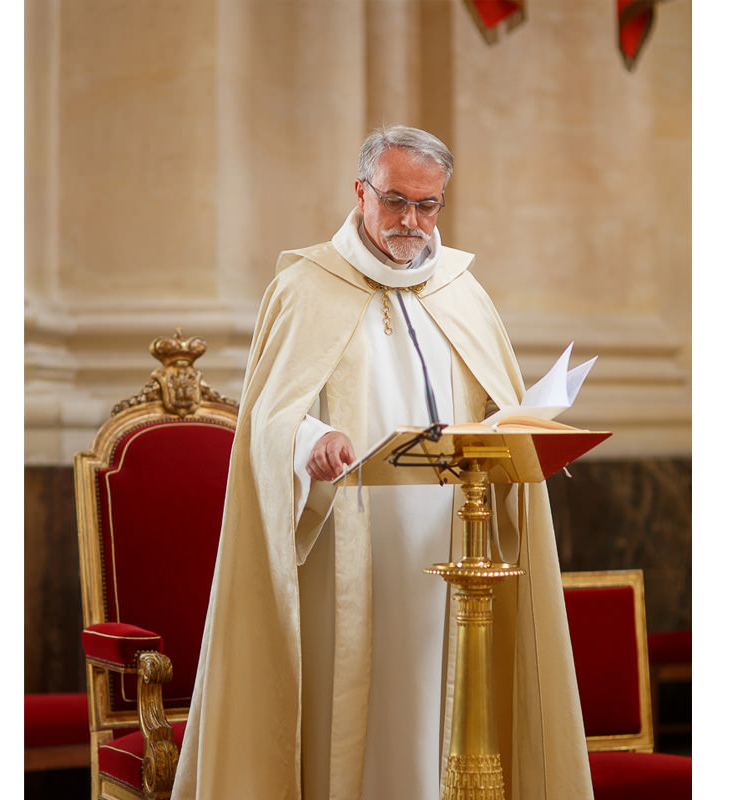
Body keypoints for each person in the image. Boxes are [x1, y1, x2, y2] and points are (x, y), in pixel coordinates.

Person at [171, 125, 594, 800]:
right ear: (360, 192)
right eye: (395, 201)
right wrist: (314, 443)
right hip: (348, 546)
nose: (411, 222)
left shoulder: (460, 289)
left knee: (440, 703)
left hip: (455, 543)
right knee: (360, 723)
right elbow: (268, 420)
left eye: (428, 206)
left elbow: (494, 407)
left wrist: (520, 431)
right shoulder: (307, 285)